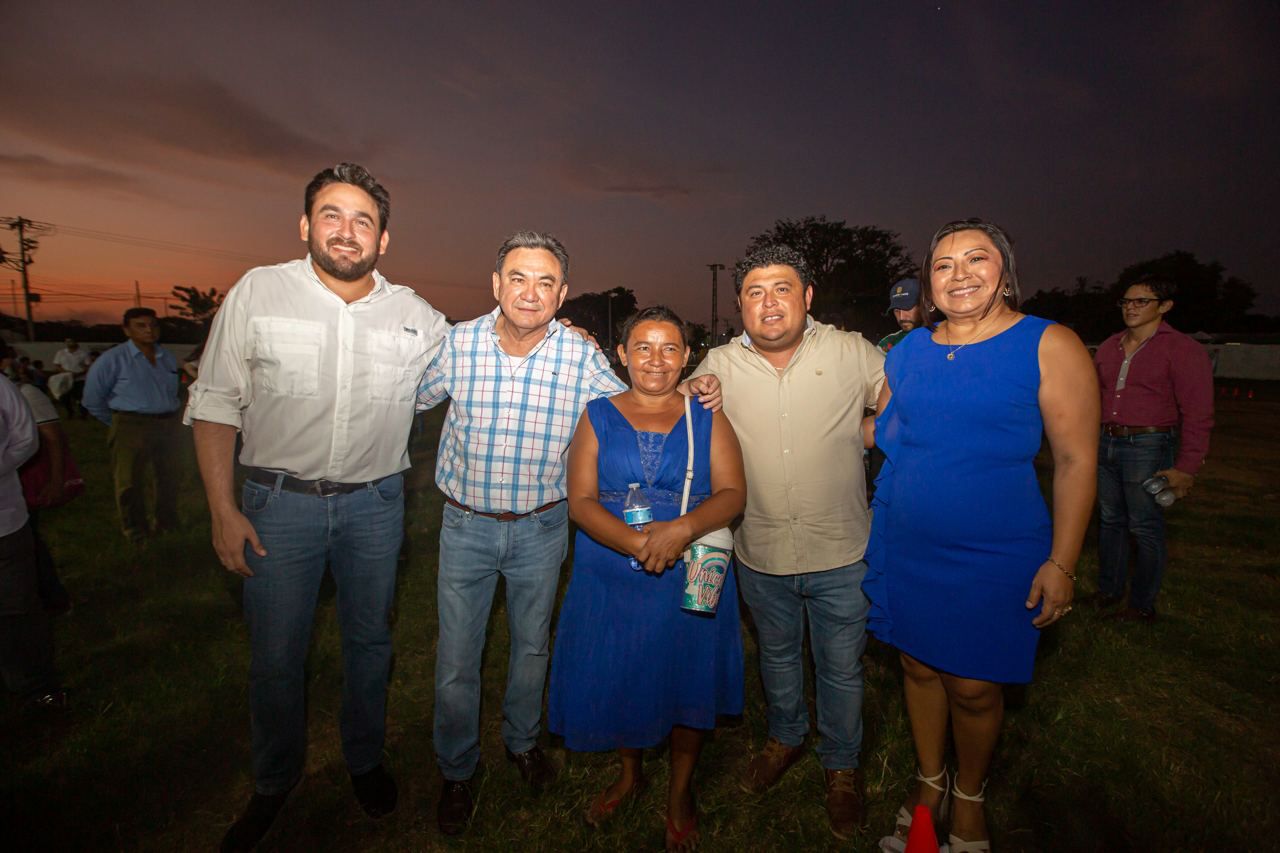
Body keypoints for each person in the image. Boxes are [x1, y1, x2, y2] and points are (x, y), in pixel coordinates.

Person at [418, 233, 720, 837]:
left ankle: (523, 742)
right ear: (496, 284)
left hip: (541, 526)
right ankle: (456, 769)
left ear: (561, 294)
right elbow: (409, 396)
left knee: (532, 645)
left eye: (546, 282)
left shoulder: (580, 355)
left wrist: (688, 387)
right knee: (456, 656)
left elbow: (636, 394)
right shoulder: (457, 343)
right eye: (518, 278)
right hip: (465, 524)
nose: (531, 293)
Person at [187, 163, 449, 852]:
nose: (347, 230)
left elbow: (480, 355)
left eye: (364, 220)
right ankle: (274, 779)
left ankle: (364, 758)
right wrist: (222, 509)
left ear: (383, 239)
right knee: (276, 654)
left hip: (376, 506)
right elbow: (215, 402)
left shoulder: (417, 317)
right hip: (278, 507)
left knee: (370, 642)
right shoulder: (258, 291)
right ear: (305, 225)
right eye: (332, 214)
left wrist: (562, 333)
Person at [863, 219, 1098, 852]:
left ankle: (969, 794)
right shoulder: (908, 351)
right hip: (907, 540)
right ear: (929, 282)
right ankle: (929, 783)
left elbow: (1076, 460)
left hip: (996, 549)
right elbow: (883, 430)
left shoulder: (1048, 343)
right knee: (916, 665)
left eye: (976, 259)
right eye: (943, 265)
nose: (959, 274)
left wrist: (1063, 562)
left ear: (1005, 272)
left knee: (973, 685)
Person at [687, 244, 884, 840]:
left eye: (782, 289)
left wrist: (870, 432)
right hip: (761, 547)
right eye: (755, 292)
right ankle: (786, 737)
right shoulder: (720, 363)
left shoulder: (852, 352)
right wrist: (695, 390)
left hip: (842, 548)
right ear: (740, 304)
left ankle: (842, 766)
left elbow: (906, 401)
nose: (769, 303)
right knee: (775, 654)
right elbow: (675, 406)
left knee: (840, 667)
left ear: (807, 296)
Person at [548, 306, 746, 851]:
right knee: (625, 668)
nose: (655, 360)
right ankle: (630, 774)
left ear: (686, 357)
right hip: (610, 568)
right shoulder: (596, 414)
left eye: (669, 348)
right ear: (622, 354)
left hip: (691, 565)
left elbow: (733, 493)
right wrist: (639, 544)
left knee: (686, 672)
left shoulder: (707, 416)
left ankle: (680, 791)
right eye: (642, 347)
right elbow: (581, 501)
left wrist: (680, 530)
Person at [1091, 278, 1214, 622]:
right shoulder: (1109, 347)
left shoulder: (1182, 349)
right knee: (1110, 521)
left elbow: (1198, 412)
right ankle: (1109, 591)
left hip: (1148, 444)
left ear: (1165, 306)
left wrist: (1186, 467)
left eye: (1141, 301)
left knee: (1144, 525)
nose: (1131, 307)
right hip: (1106, 440)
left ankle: (1141, 605)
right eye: (1126, 301)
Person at [82, 308, 184, 547]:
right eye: (141, 325)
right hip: (131, 424)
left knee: (169, 476)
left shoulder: (167, 358)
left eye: (153, 325)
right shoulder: (112, 359)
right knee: (129, 481)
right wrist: (118, 423)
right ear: (127, 330)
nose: (149, 330)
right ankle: (135, 530)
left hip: (167, 423)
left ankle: (167, 523)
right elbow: (92, 399)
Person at [0, 372, 62, 708]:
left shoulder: (1, 387)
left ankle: (34, 687)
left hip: (5, 521)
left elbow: (26, 438)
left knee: (18, 607)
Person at [0, 348, 73, 615]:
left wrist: (56, 480)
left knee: (29, 554)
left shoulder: (20, 391)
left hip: (11, 508)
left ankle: (53, 601)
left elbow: (47, 438)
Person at [878, 277, 926, 352]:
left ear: (924, 306)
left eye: (907, 308)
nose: (901, 317)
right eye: (896, 311)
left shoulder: (941, 337)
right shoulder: (889, 342)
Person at [50, 339, 91, 419]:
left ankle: (83, 414)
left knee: (81, 397)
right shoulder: (61, 353)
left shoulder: (83, 353)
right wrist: (67, 373)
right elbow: (57, 365)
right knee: (64, 397)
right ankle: (70, 412)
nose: (70, 343)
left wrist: (78, 374)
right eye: (68, 342)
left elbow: (88, 365)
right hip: (65, 380)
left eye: (71, 341)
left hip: (79, 379)